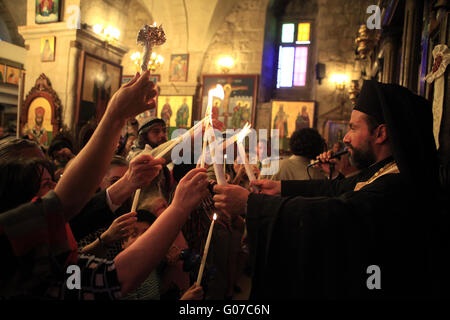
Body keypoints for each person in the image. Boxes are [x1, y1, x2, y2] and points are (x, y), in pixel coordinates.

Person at [212, 80, 441, 299]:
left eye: (352, 128)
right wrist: (280, 187)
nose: (346, 138)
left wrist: (251, 204)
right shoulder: (382, 170)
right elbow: (335, 187)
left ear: (380, 133)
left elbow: (339, 213)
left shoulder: (398, 184)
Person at [0, 70, 209, 299]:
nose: (54, 192)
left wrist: (128, 181)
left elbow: (113, 275)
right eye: (46, 185)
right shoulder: (18, 254)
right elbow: (117, 276)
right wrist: (178, 208)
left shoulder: (54, 254)